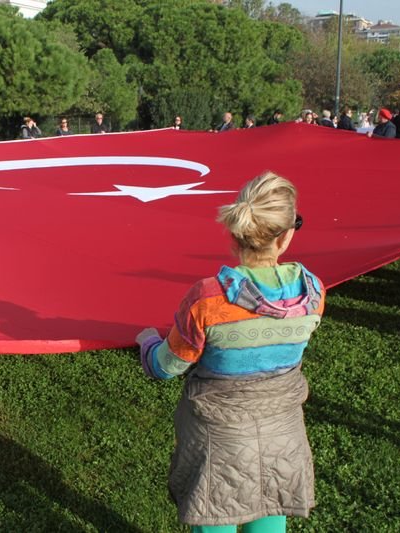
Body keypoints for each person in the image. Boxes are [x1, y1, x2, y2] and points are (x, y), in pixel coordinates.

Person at [136, 171, 324, 533]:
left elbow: (167, 365)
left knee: (214, 514)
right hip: (283, 431)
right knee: (272, 507)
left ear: (235, 231)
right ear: (286, 236)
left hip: (219, 438)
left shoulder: (208, 298)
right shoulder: (314, 292)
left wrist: (147, 344)